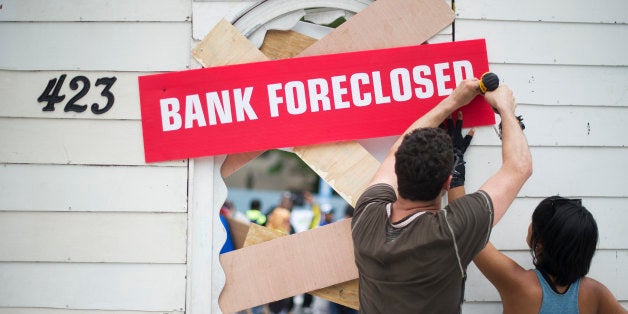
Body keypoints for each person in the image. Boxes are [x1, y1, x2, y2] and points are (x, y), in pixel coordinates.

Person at [351, 79, 532, 313]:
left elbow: (395, 152)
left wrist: (453, 101)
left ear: (398, 172)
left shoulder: (367, 213)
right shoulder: (450, 232)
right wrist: (506, 109)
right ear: (448, 181)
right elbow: (519, 167)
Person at [444, 115, 627, 314]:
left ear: (539, 243)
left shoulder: (518, 284)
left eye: (534, 222)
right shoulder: (595, 293)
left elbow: (466, 226)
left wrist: (456, 164)